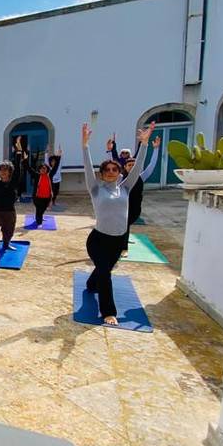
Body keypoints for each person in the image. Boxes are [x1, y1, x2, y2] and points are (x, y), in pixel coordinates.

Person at [81, 121, 154, 325]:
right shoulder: (96, 189)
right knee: (105, 273)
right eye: (107, 170)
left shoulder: (125, 188)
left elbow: (138, 166)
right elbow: (88, 168)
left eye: (115, 169)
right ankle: (108, 312)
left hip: (117, 241)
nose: (111, 172)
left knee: (104, 271)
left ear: (120, 173)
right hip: (98, 240)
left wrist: (145, 144)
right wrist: (85, 145)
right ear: (102, 174)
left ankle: (90, 282)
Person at [120, 135, 161, 255]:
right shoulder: (121, 178)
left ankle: (123, 245)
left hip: (135, 208)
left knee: (125, 225)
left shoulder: (141, 177)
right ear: (125, 167)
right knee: (124, 225)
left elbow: (152, 165)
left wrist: (156, 149)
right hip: (122, 207)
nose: (132, 167)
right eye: (129, 165)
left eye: (134, 165)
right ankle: (123, 248)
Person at [31, 154, 61, 226]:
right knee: (39, 210)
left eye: (44, 168)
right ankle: (39, 222)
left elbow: (55, 167)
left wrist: (59, 157)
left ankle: (38, 218)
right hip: (37, 197)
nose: (43, 170)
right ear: (39, 169)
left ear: (47, 169)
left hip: (47, 198)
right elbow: (29, 169)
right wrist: (25, 160)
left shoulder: (49, 175)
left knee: (43, 209)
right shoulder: (37, 175)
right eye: (41, 168)